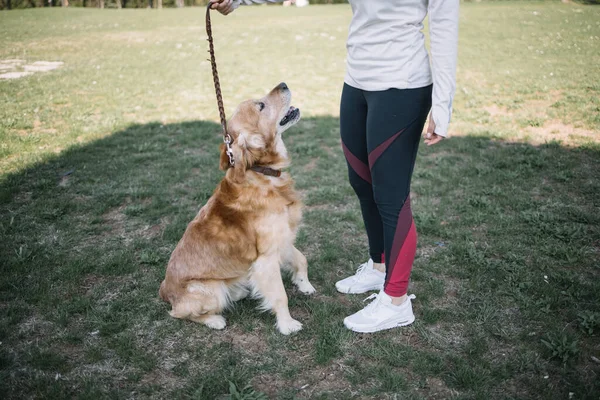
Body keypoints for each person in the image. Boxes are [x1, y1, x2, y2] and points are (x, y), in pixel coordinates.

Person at [211, 0, 459, 333]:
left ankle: (397, 302)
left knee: (391, 195)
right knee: (361, 180)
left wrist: (442, 104)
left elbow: (445, 26)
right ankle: (379, 266)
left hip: (402, 84)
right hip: (357, 80)